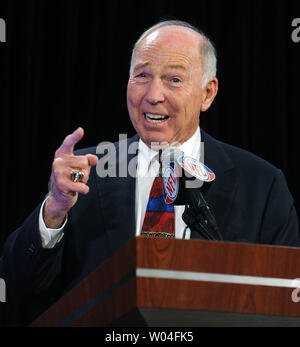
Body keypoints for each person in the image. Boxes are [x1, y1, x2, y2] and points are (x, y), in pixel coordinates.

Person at [1, 20, 299, 326]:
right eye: (142, 76)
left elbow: (287, 303)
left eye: (173, 79)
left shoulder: (262, 185)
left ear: (207, 93)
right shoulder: (83, 173)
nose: (153, 95)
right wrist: (53, 211)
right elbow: (18, 286)